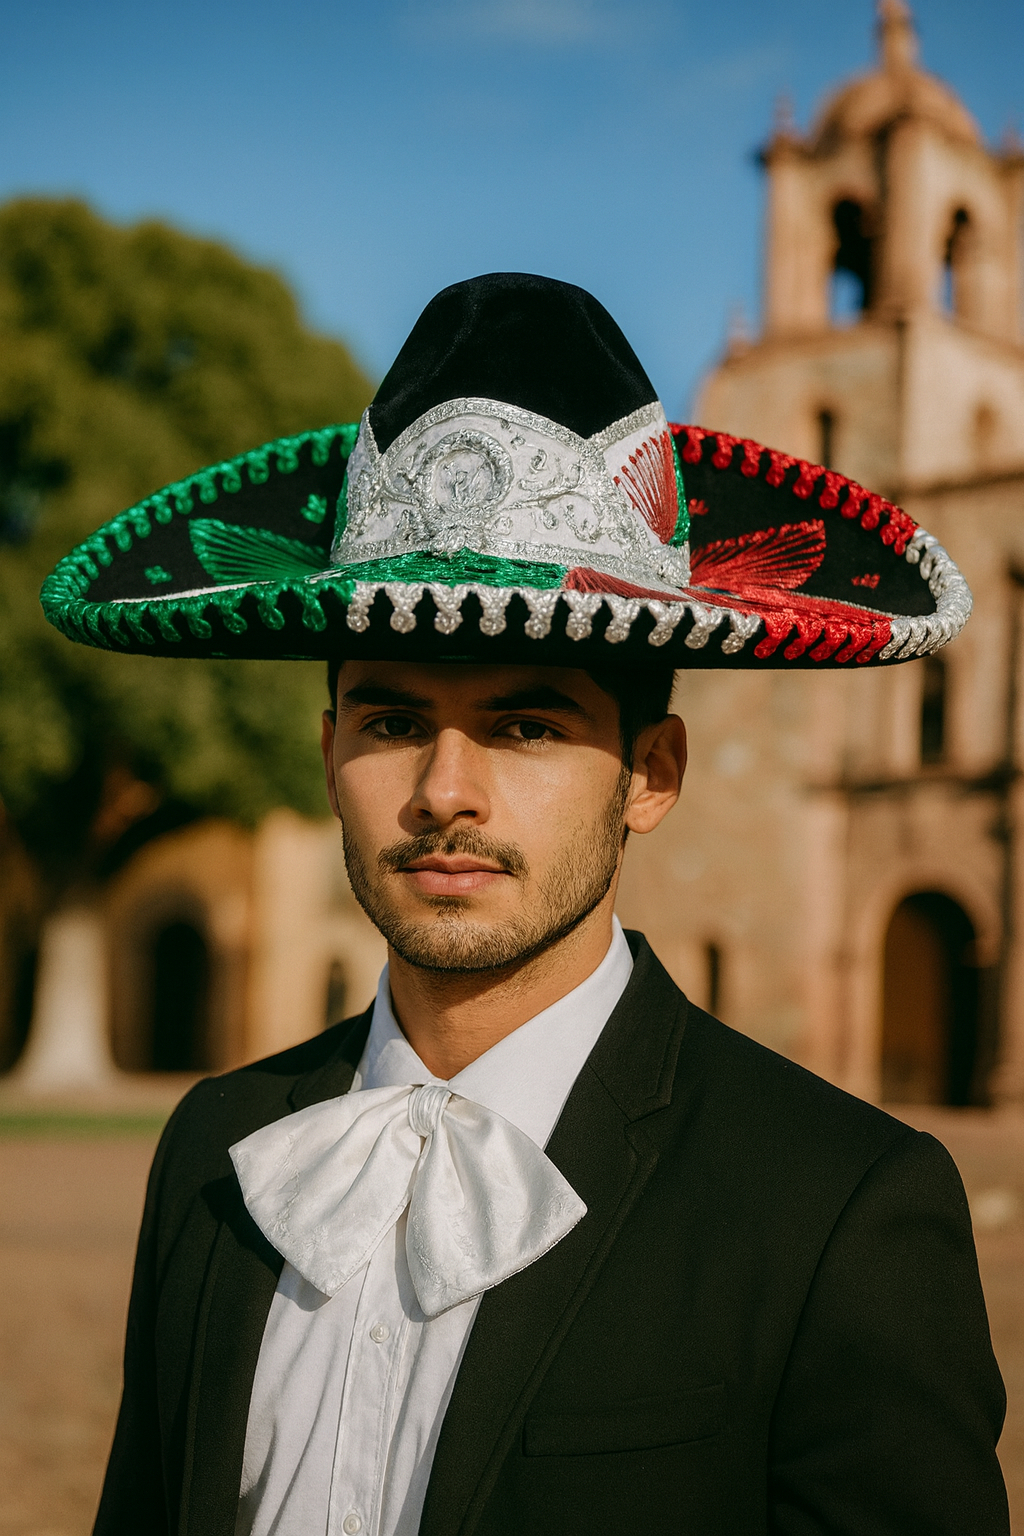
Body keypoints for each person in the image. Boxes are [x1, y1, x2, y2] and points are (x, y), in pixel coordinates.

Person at [43, 274, 1006, 1535]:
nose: (447, 793)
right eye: (392, 720)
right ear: (330, 751)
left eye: (528, 724)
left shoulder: (840, 1207)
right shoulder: (215, 1150)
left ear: (648, 776)